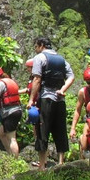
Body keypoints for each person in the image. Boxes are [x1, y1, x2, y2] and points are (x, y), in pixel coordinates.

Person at [28, 36, 75, 170]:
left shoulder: (40, 58)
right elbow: (71, 76)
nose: (36, 50)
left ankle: (42, 165)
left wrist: (31, 99)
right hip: (60, 100)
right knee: (60, 129)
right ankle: (61, 163)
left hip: (46, 98)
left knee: (42, 130)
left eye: (36, 46)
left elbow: (37, 79)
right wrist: (62, 89)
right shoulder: (62, 59)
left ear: (41, 45)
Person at [0, 66, 25, 156]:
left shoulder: (1, 83)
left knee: (12, 138)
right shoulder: (10, 81)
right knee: (0, 133)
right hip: (16, 110)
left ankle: (15, 160)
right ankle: (10, 154)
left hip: (10, 112)